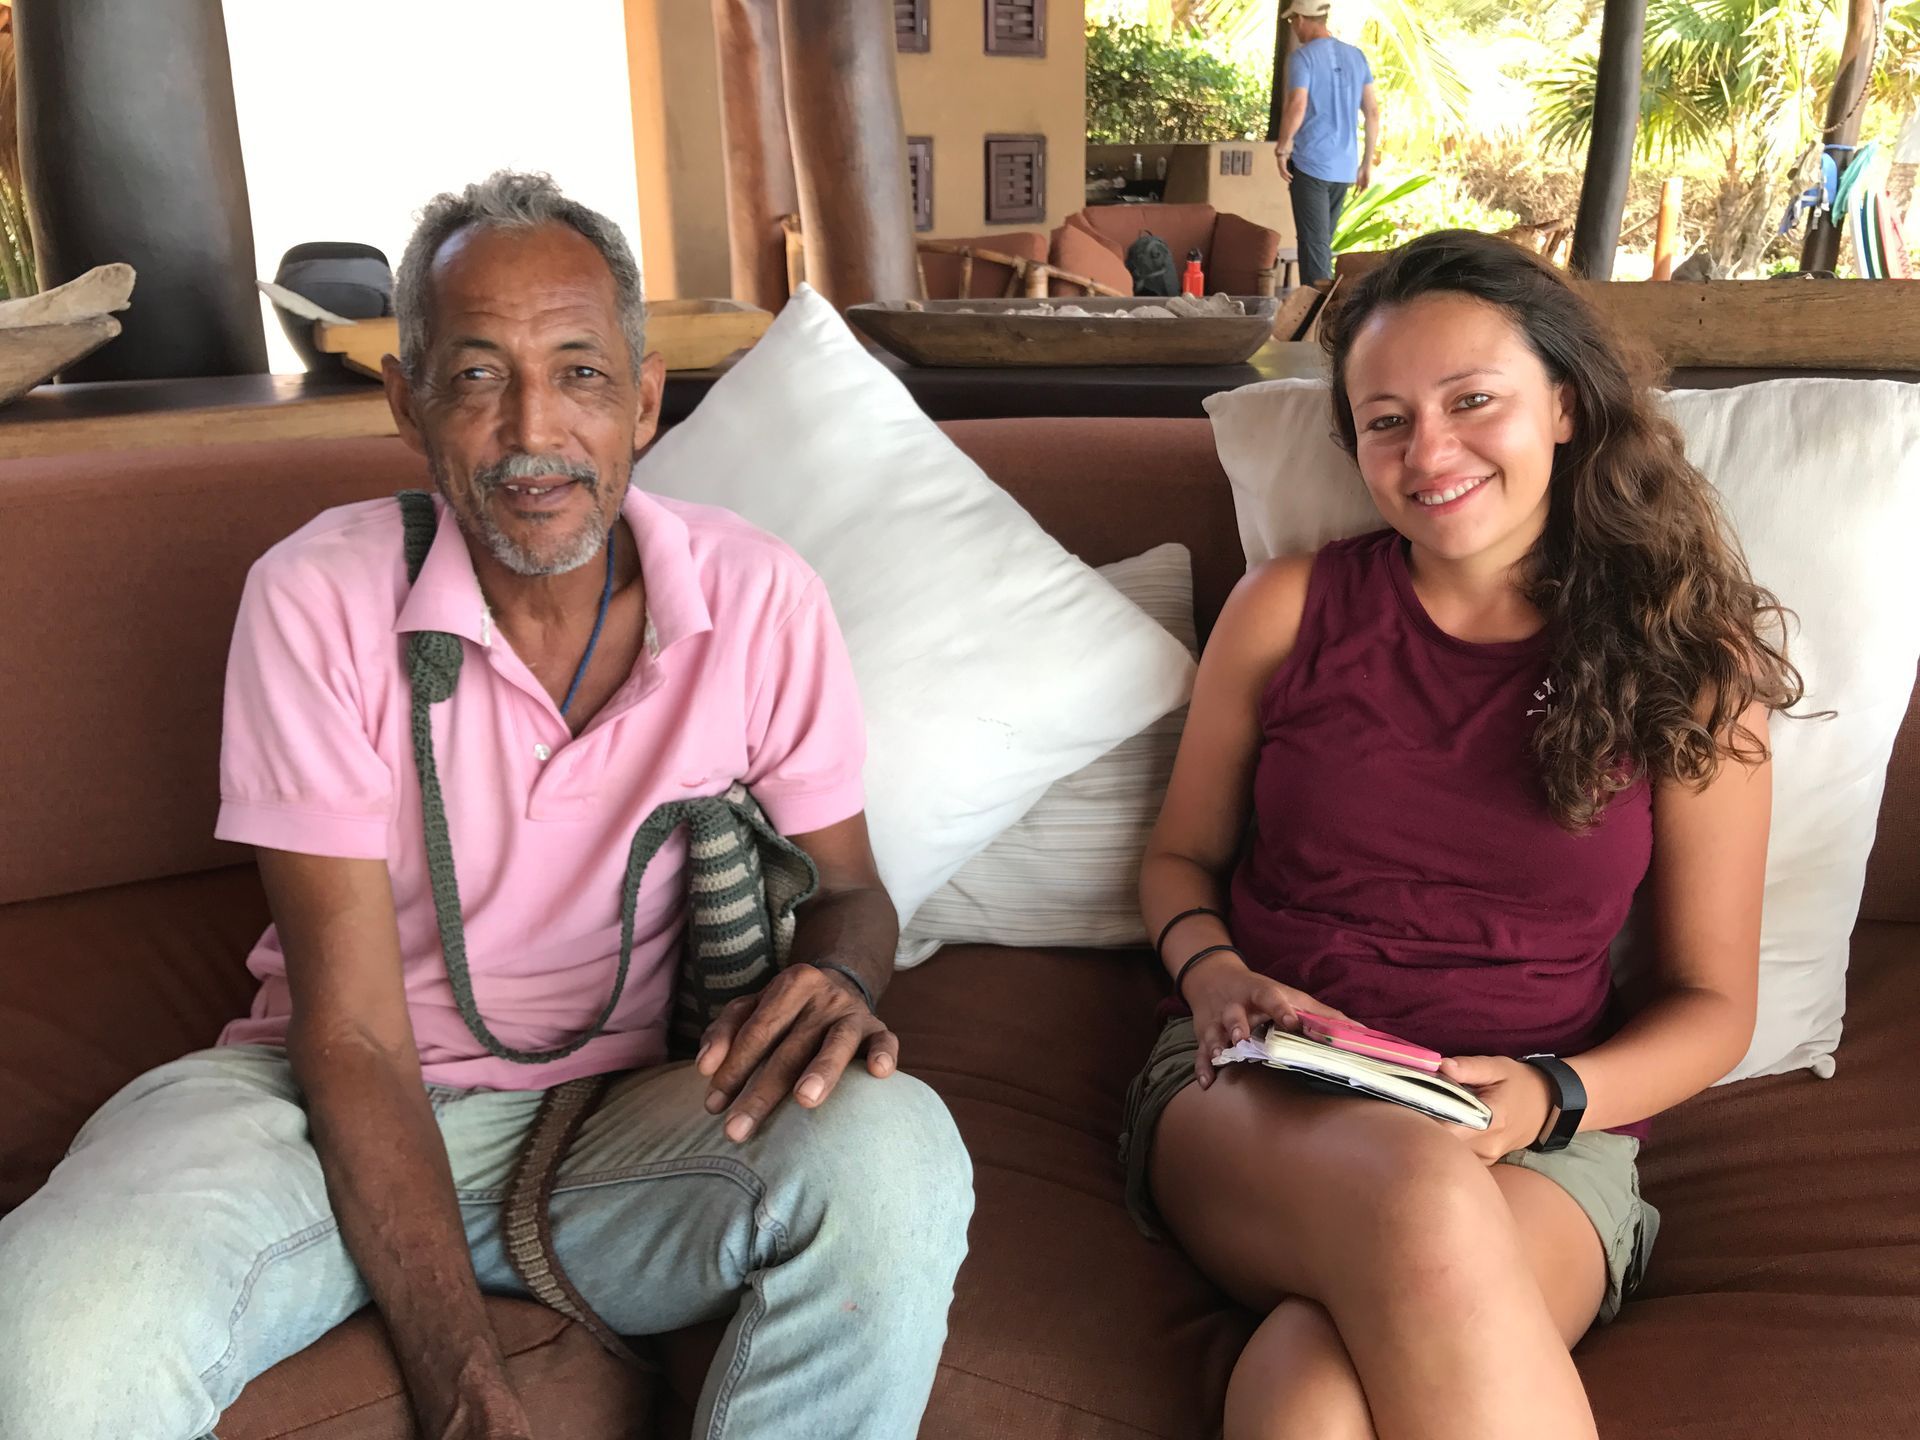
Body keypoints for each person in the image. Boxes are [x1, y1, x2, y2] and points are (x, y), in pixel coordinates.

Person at [0, 171, 973, 1440]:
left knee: (895, 1154)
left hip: (627, 1129)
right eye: (475, 376)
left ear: (645, 399)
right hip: (321, 1113)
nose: (532, 430)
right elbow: (353, 1037)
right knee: (53, 1327)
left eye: (581, 373)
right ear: (405, 402)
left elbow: (849, 891)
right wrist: (469, 1386)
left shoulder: (759, 597)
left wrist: (838, 979)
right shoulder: (315, 598)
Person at [1128, 231, 1801, 1440]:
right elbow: (1179, 860)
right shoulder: (1288, 608)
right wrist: (1214, 971)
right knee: (1417, 1191)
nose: (1428, 452)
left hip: (1545, 1134)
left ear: (1566, 406)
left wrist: (1549, 1096)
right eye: (1385, 422)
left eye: (1472, 401)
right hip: (1260, 1090)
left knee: (1308, 1395)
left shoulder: (1691, 667)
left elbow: (1715, 1006)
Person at [1274, 0, 1380, 286]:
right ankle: (1323, 308)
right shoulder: (1356, 56)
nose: (1293, 26)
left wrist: (1283, 147)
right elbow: (1372, 111)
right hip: (1344, 168)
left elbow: (1297, 104)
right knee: (1321, 244)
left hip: (1311, 165)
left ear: (1300, 19)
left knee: (1314, 247)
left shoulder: (1303, 57)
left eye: (1292, 21)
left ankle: (1320, 311)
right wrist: (1366, 163)